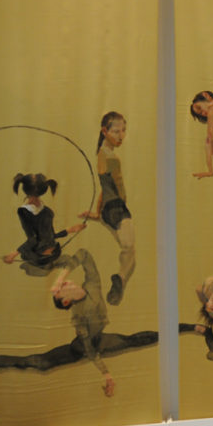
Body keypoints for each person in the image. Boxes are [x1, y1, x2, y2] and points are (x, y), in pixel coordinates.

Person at [0, 249, 156, 397]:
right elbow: (89, 349)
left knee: (134, 340)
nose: (66, 283)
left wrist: (60, 276)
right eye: (63, 288)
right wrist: (106, 373)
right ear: (66, 301)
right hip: (79, 349)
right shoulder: (79, 316)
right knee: (34, 362)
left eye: (64, 284)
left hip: (100, 340)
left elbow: (84, 254)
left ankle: (178, 331)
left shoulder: (92, 285)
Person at [80, 112, 135, 305]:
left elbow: (105, 187)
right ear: (105, 131)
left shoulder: (102, 154)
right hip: (116, 208)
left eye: (123, 131)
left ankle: (119, 280)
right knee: (129, 251)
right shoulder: (110, 157)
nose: (121, 136)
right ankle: (120, 278)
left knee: (128, 249)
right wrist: (118, 207)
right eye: (116, 131)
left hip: (108, 209)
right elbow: (117, 187)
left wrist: (98, 213)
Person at [3, 172, 86, 275]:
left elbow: (36, 239)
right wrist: (70, 230)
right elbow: (46, 236)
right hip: (51, 254)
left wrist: (13, 254)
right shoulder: (45, 211)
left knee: (25, 256)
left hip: (43, 257)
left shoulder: (28, 212)